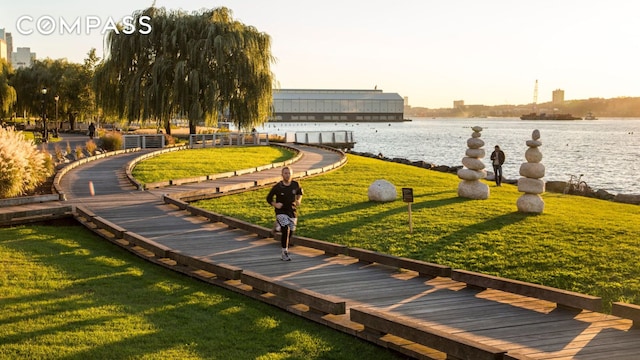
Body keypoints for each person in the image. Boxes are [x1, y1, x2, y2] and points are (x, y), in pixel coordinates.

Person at [266, 166, 303, 261]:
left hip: (292, 210)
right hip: (281, 211)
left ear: (292, 174)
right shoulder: (278, 187)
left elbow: (300, 193)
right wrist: (275, 204)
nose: (287, 175)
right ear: (282, 175)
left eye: (289, 173)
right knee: (285, 229)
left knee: (291, 231)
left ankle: (278, 225)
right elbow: (268, 198)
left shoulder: (295, 184)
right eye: (285, 173)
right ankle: (284, 252)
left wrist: (298, 200)